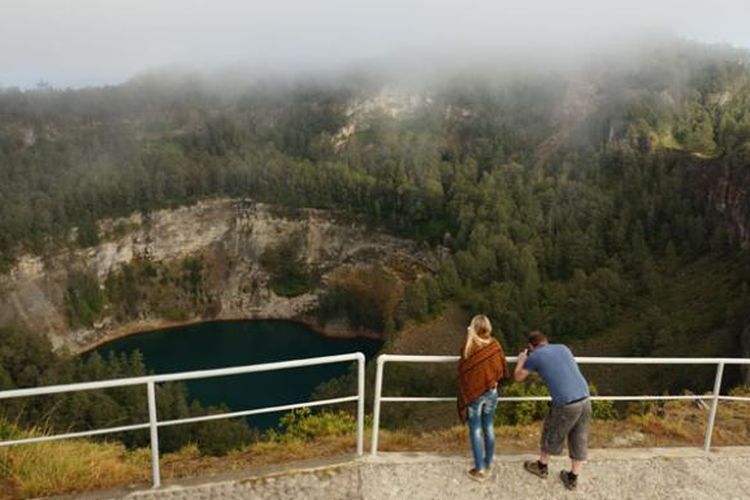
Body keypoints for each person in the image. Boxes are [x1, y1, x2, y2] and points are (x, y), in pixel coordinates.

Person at [514, 330, 591, 491]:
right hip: (585, 398)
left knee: (552, 431)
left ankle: (542, 466)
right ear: (546, 341)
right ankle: (572, 478)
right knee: (579, 437)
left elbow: (518, 377)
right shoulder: (563, 348)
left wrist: (522, 360)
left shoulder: (535, 356)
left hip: (566, 403)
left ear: (531, 346)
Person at [457, 315, 509, 482]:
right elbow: (500, 366)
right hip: (492, 392)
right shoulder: (495, 345)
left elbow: (464, 372)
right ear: (488, 327)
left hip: (475, 396)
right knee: (488, 425)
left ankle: (479, 470)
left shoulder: (468, 347)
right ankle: (487, 463)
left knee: (476, 429)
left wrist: (469, 336)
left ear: (473, 328)